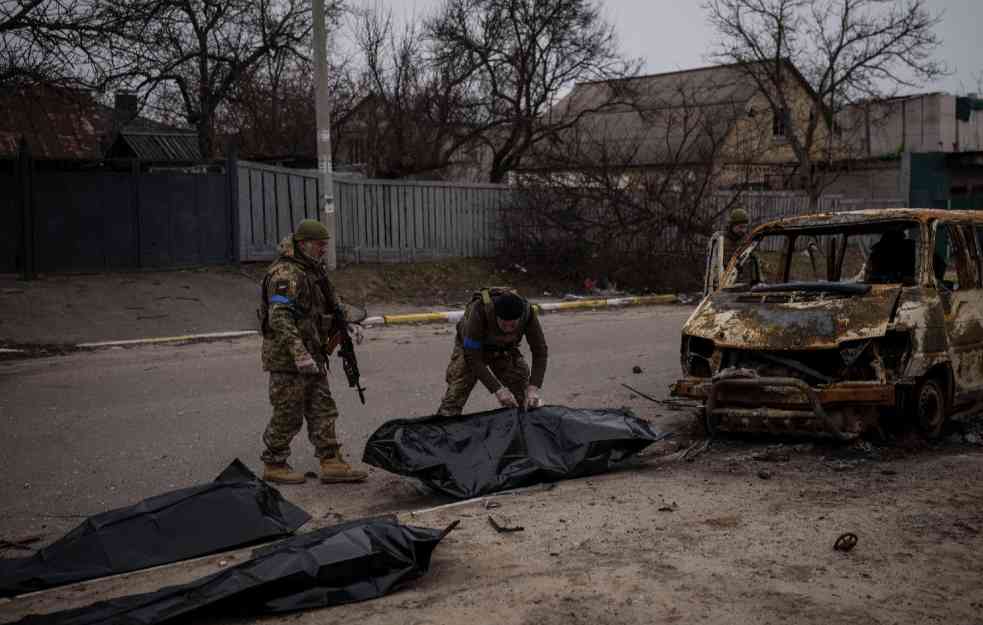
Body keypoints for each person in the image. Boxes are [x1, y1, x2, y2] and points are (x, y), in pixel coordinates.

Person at [258, 219, 367, 485]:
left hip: (313, 353)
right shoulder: (286, 274)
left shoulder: (311, 269)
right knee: (289, 411)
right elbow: (280, 317)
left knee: (322, 408)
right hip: (288, 359)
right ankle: (274, 463)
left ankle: (331, 461)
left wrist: (350, 322)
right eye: (320, 245)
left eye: (325, 245)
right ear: (304, 244)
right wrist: (299, 354)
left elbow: (331, 301)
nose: (323, 250)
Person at [436, 288, 548, 416]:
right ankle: (446, 424)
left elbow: (540, 351)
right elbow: (472, 356)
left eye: (512, 326)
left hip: (503, 349)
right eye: (504, 325)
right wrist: (498, 390)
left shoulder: (527, 313)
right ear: (496, 316)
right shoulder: (480, 311)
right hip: (471, 350)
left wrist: (533, 388)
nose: (507, 329)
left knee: (528, 400)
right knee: (454, 398)